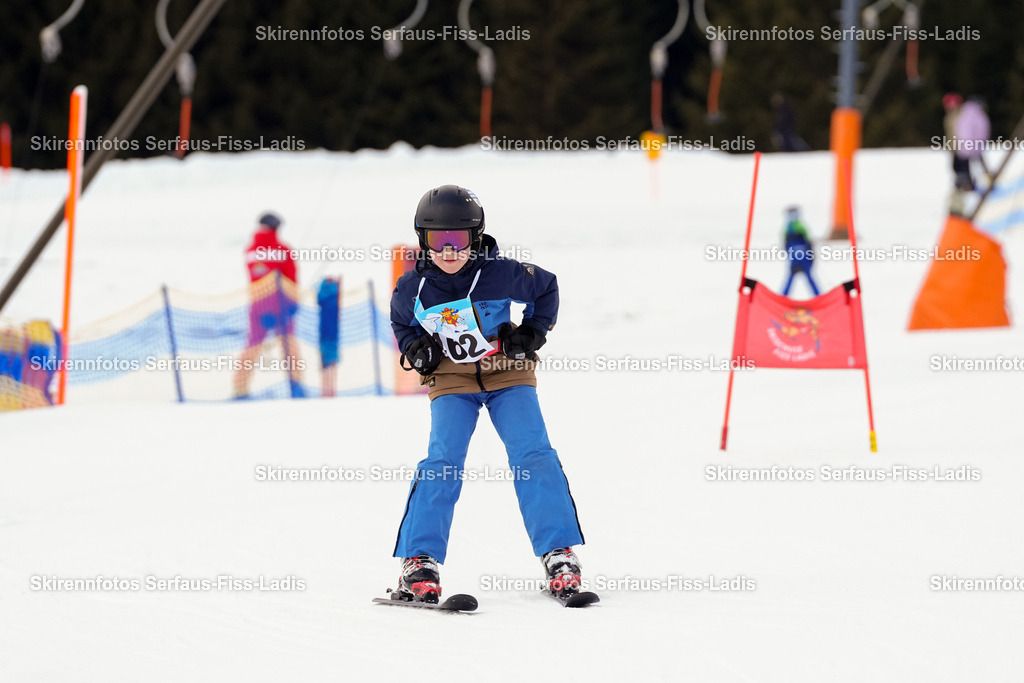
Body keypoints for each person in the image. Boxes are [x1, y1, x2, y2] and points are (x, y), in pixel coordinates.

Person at [389, 184, 585, 603]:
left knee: (533, 453)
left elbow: (546, 288)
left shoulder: (500, 272)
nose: (448, 251)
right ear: (422, 239)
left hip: (507, 373)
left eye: (458, 240)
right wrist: (414, 347)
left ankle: (559, 554)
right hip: (451, 379)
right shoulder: (413, 287)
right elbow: (401, 321)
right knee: (443, 460)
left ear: (475, 237)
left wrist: (532, 332)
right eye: (437, 240)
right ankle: (419, 561)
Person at [233, 212, 303, 398]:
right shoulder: (283, 250)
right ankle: (296, 386)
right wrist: (294, 302)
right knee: (290, 347)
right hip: (282, 305)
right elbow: (291, 278)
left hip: (258, 305)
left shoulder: (250, 250)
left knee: (252, 346)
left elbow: (257, 275)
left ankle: (239, 388)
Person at [954, 95, 991, 193]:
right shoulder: (974, 114)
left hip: (970, 146)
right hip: (972, 146)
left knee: (969, 167)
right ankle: (968, 186)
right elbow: (968, 131)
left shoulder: (968, 114)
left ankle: (969, 185)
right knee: (971, 168)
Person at [782, 206, 820, 297]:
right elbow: (808, 243)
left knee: (793, 278)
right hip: (801, 258)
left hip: (800, 258)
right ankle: (818, 296)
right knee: (807, 278)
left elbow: (787, 246)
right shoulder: (796, 227)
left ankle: (783, 297)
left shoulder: (792, 227)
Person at [317, 276, 340, 397]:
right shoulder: (332, 296)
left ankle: (328, 390)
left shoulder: (323, 295)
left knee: (327, 362)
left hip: (326, 334)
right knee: (329, 363)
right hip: (330, 334)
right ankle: (328, 390)